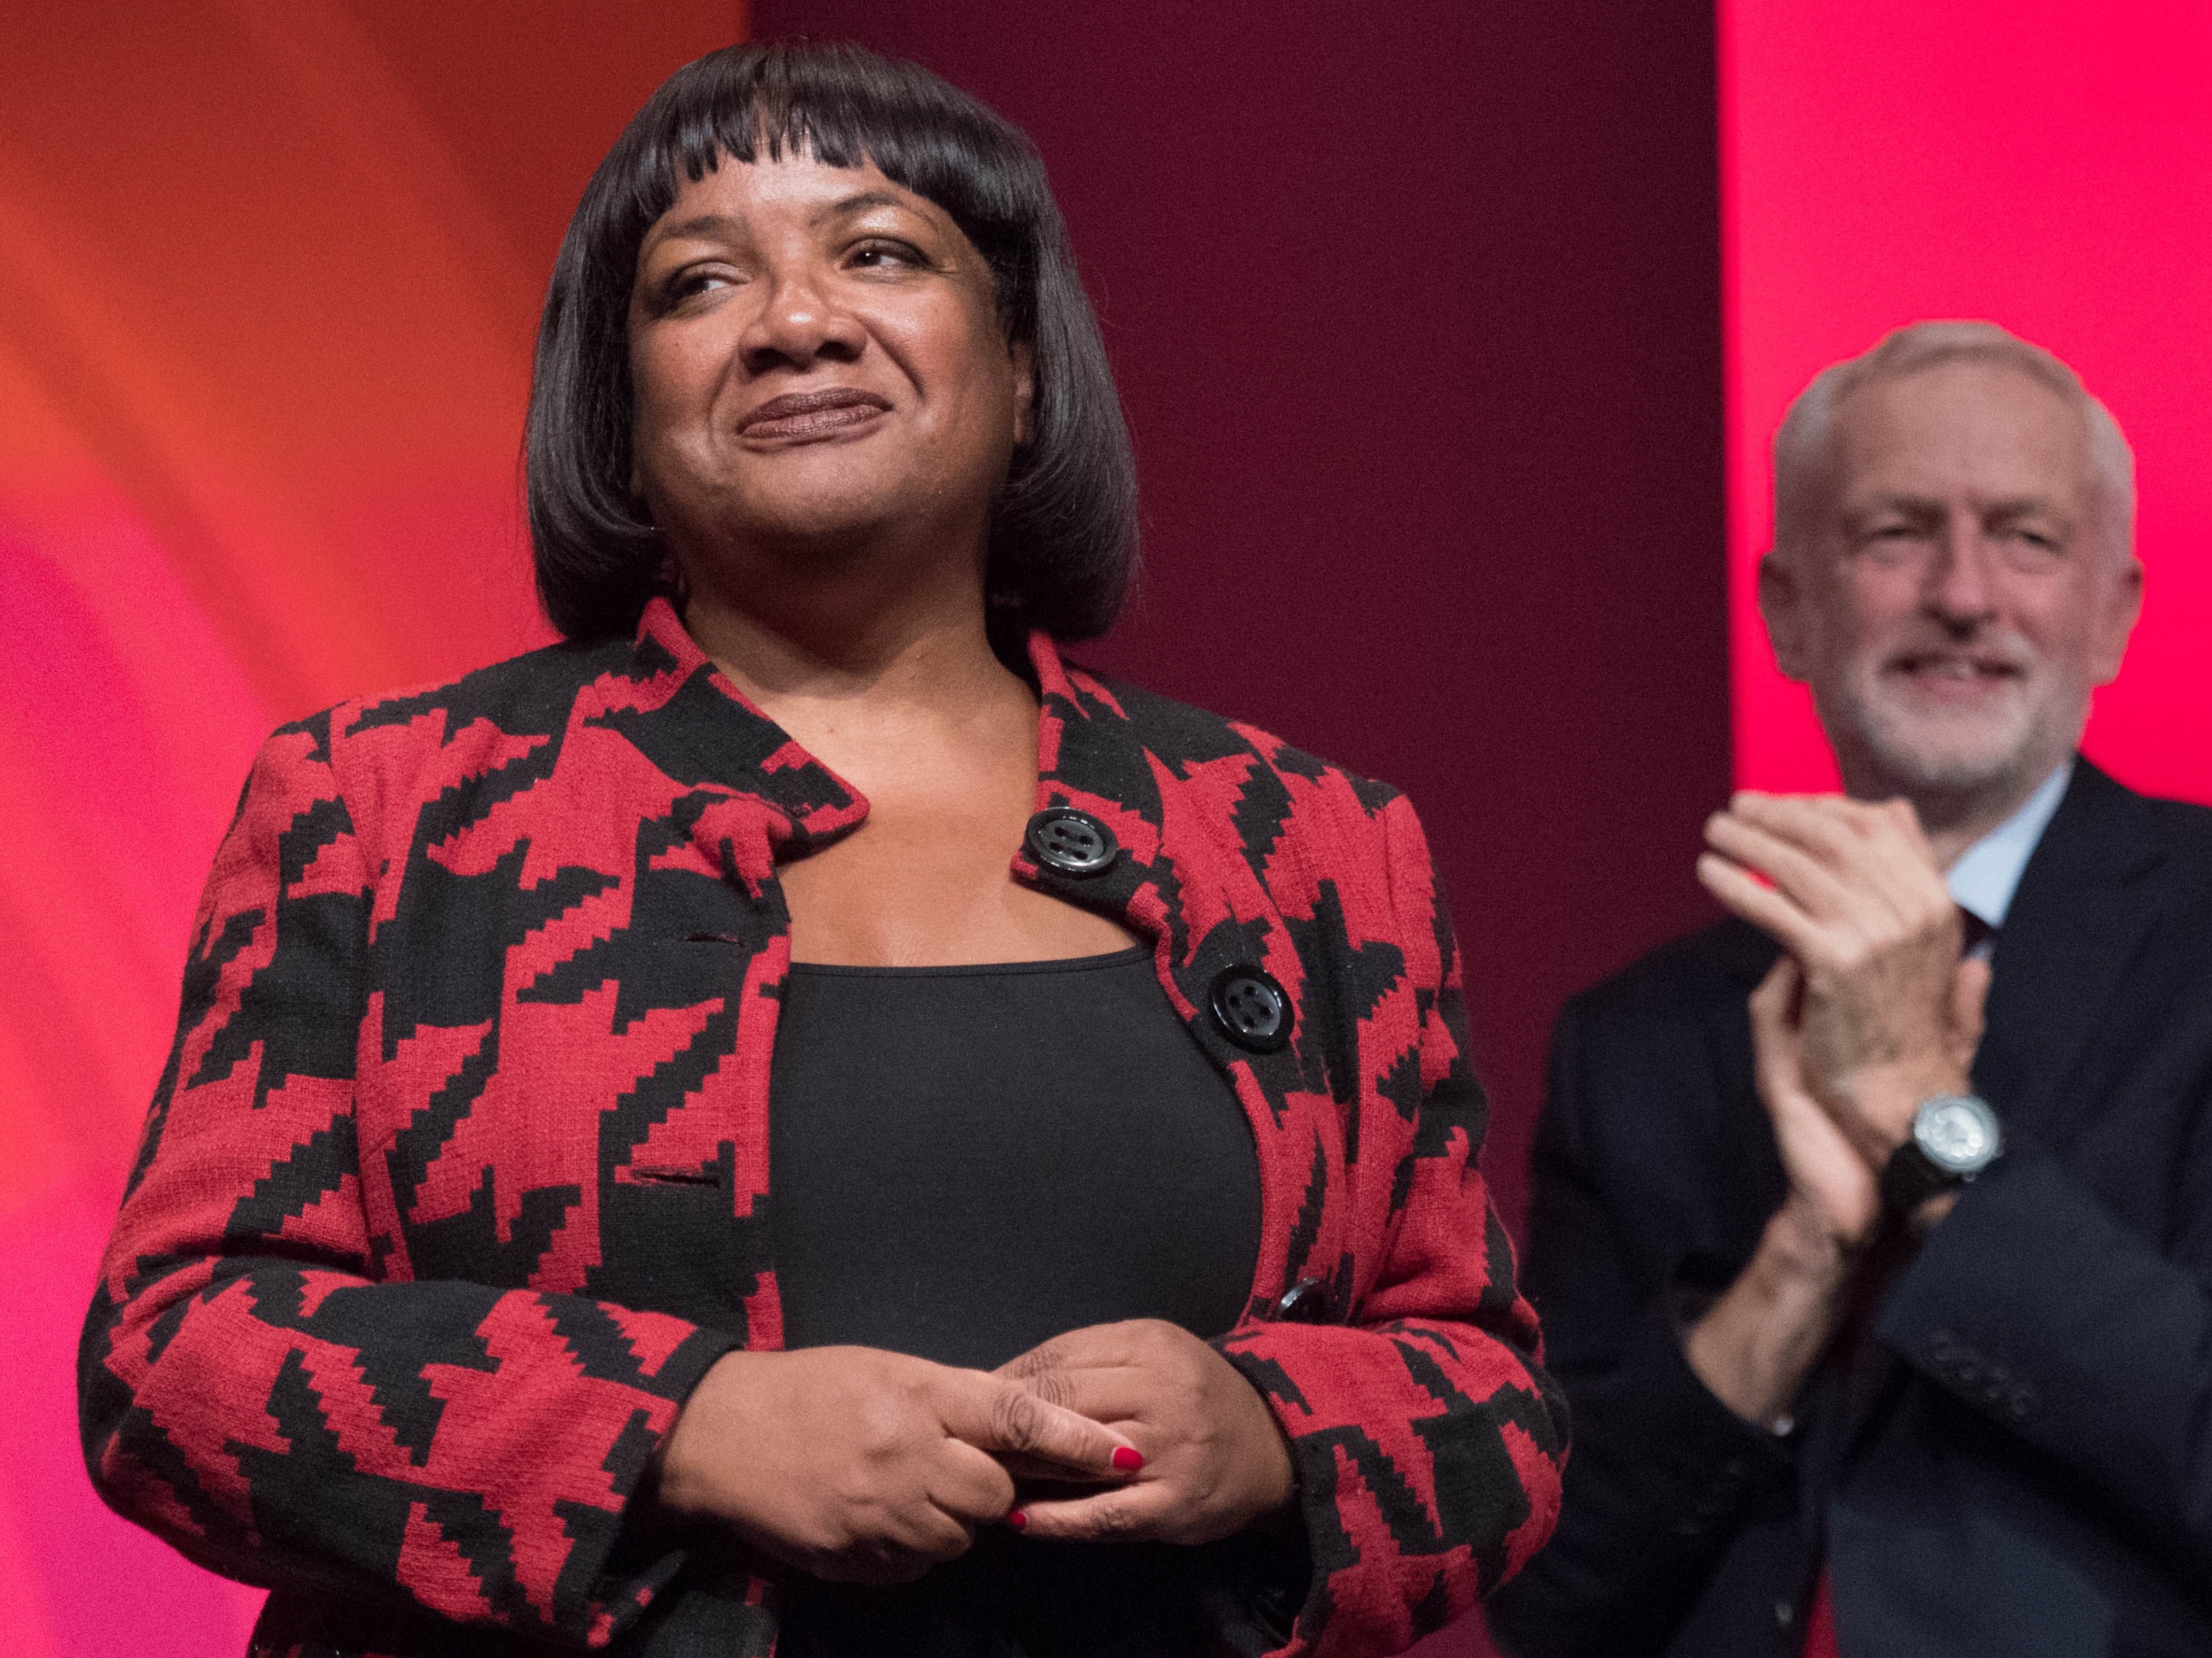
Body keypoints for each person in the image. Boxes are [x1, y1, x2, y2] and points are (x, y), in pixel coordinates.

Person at [78, 41, 1564, 1658]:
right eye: (700, 283)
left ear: (1023, 373)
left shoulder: (1305, 846)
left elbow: (1491, 1399)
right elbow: (175, 1359)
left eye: (878, 252)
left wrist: (1277, 1439)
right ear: (623, 414)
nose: (796, 322)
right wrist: (683, 1431)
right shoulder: (381, 807)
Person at [1487, 321, 2212, 1657]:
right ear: (1786, 611)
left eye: (2026, 538)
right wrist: (1804, 1253)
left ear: (2114, 613)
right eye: (1892, 534)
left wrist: (1932, 1139)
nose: (1962, 592)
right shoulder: (1634, 1039)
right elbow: (1552, 1588)